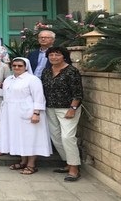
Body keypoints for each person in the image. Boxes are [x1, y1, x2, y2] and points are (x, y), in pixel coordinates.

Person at [0, 57, 52, 175]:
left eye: (20, 66)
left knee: (30, 137)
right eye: (14, 65)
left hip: (28, 112)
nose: (16, 68)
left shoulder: (33, 79)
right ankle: (23, 161)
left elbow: (39, 97)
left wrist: (36, 113)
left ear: (26, 67)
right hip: (11, 113)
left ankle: (31, 165)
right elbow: (6, 94)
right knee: (19, 137)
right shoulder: (8, 79)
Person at [41, 47, 83, 182]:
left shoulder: (71, 71)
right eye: (51, 55)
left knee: (67, 137)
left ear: (64, 56)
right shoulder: (47, 71)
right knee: (56, 137)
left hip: (67, 109)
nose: (53, 57)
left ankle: (74, 169)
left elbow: (78, 92)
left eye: (57, 55)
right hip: (50, 108)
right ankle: (68, 162)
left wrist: (73, 108)